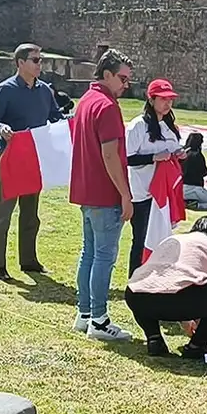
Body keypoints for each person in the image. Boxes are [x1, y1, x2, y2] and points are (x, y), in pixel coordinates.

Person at [0, 44, 64, 281]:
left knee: (31, 213)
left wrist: (70, 123)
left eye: (41, 60)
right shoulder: (6, 89)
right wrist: (1, 128)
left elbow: (56, 118)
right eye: (35, 60)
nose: (40, 64)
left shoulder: (45, 91)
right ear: (20, 63)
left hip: (34, 158)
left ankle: (28, 260)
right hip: (10, 157)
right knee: (4, 212)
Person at [70, 49, 135, 342]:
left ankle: (85, 315)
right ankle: (98, 318)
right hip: (104, 193)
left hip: (86, 191)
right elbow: (110, 155)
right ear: (106, 74)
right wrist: (125, 194)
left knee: (90, 253)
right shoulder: (107, 106)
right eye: (122, 78)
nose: (125, 84)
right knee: (103, 257)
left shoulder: (86, 101)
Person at [125, 216, 207, 358]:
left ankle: (154, 338)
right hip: (182, 299)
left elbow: (168, 280)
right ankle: (196, 346)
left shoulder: (171, 241)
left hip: (136, 295)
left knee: (145, 286)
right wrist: (201, 325)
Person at [125, 79, 184, 276]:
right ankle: (135, 280)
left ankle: (155, 279)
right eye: (163, 99)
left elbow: (174, 151)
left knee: (161, 239)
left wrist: (179, 155)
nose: (168, 103)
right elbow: (127, 158)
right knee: (141, 240)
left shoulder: (169, 127)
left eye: (171, 99)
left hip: (163, 196)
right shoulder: (138, 126)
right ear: (151, 100)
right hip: (141, 194)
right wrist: (153, 157)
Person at [181, 132, 207, 211]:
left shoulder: (182, 153)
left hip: (181, 188)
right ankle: (195, 205)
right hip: (195, 188)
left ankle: (186, 201)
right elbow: (204, 172)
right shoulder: (198, 155)